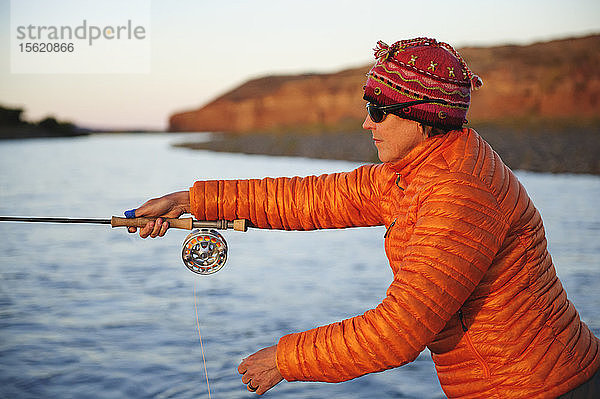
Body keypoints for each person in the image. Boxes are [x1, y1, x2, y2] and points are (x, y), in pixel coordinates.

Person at [127, 38, 600, 397]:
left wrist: (284, 360)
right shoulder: (421, 168)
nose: (366, 122)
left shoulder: (458, 195)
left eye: (378, 110)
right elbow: (316, 197)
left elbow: (399, 332)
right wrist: (192, 202)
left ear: (421, 116)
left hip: (539, 388)